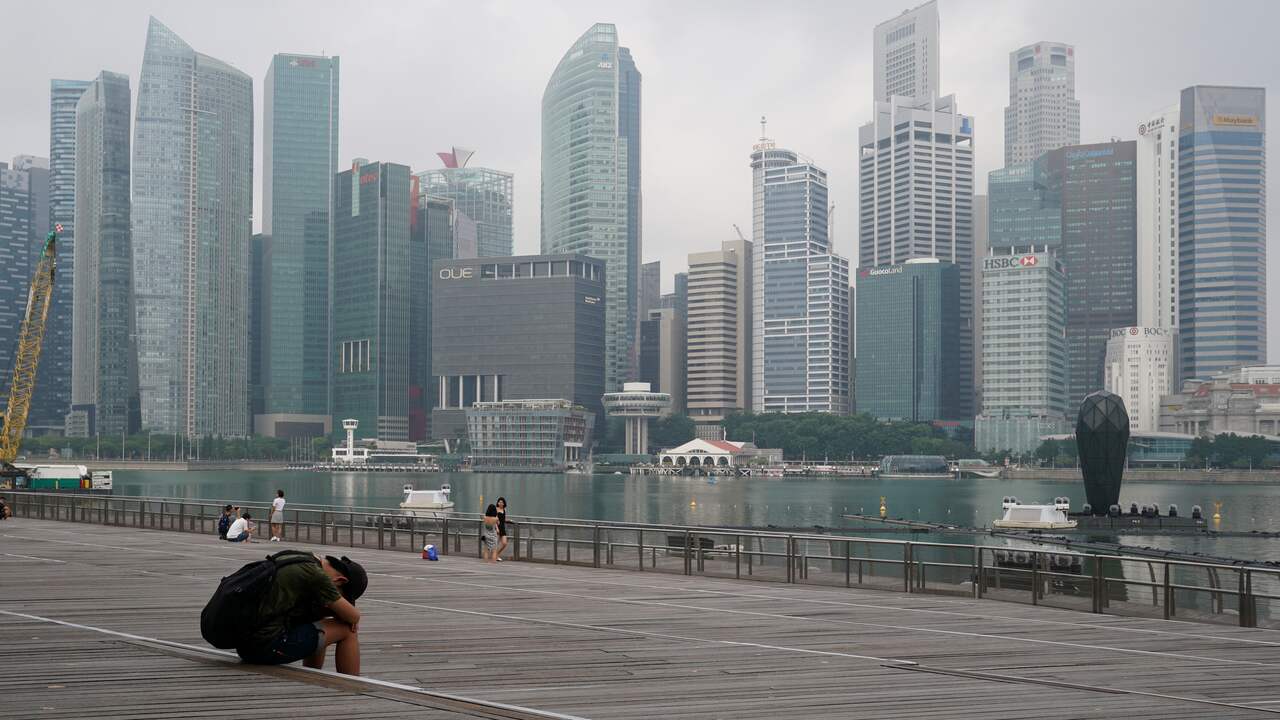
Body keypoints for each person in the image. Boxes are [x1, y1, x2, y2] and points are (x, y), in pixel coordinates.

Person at [236, 553, 367, 675]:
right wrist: (344, 616)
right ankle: (352, 686)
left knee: (317, 617)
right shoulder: (318, 576)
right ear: (340, 580)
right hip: (265, 648)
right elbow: (354, 616)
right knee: (347, 630)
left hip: (244, 645)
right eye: (341, 596)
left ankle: (312, 676)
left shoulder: (301, 559)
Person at [495, 497, 509, 561]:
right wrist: (497, 528)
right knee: (496, 543)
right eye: (499, 502)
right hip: (497, 528)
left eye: (502, 502)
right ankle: (495, 556)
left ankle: (497, 554)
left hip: (503, 528)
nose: (500, 503)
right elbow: (495, 520)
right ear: (498, 503)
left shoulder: (504, 510)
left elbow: (504, 519)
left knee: (504, 543)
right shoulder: (496, 509)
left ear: (504, 503)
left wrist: (509, 520)